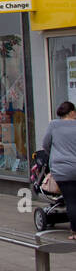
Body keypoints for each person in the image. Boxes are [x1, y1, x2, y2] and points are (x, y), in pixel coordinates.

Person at [40, 101, 76, 239]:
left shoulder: (54, 125)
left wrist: (55, 156)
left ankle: (74, 231)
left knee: (71, 201)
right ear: (72, 112)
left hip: (62, 169)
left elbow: (45, 145)